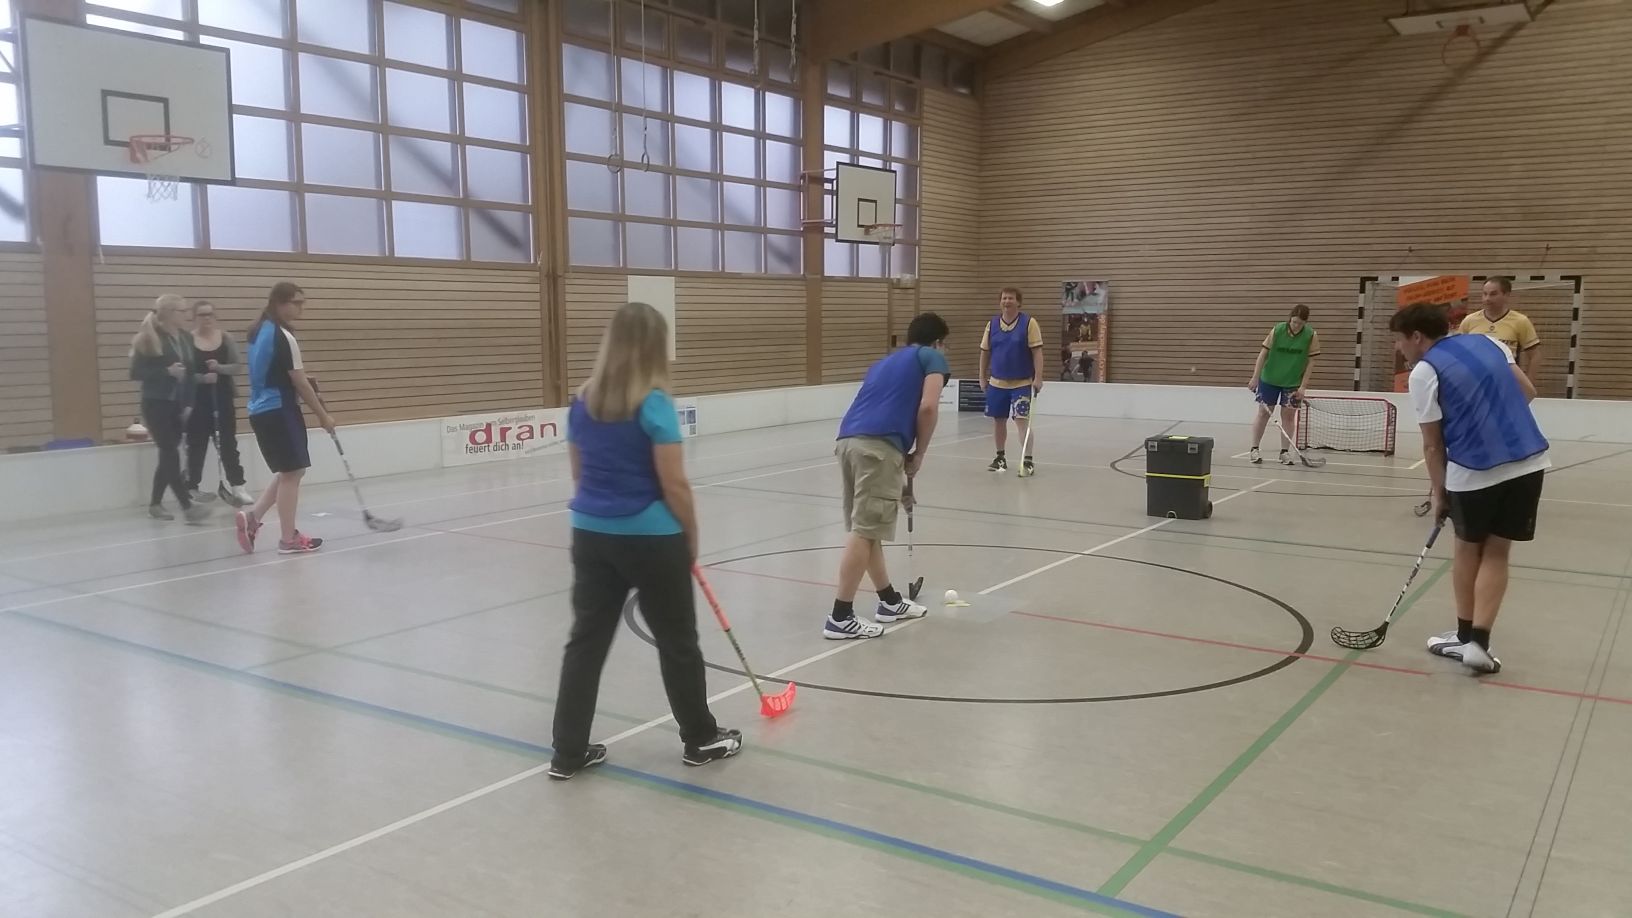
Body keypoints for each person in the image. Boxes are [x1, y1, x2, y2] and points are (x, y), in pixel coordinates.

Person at [549, 301, 740, 779]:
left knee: (585, 643)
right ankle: (700, 738)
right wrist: (689, 538)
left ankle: (567, 752)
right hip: (652, 539)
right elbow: (674, 484)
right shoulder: (654, 403)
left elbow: (579, 475)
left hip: (590, 535)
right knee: (678, 642)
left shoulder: (581, 403)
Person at [1392, 302, 1550, 675]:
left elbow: (1433, 445)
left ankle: (1464, 637)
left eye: (1399, 340)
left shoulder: (1424, 372)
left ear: (1417, 336)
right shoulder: (1489, 343)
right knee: (1497, 552)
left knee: (1466, 549)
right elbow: (1527, 391)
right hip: (1529, 461)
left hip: (1474, 470)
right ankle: (1479, 643)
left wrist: (1438, 493)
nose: (1399, 348)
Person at [824, 312, 950, 640]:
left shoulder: (884, 363)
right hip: (878, 447)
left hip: (848, 442)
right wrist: (919, 453)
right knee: (865, 531)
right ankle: (840, 616)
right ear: (938, 342)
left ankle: (889, 601)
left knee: (869, 529)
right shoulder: (932, 357)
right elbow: (928, 407)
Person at [237, 282, 334, 555]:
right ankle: (288, 539)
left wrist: (298, 379)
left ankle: (253, 517)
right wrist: (323, 416)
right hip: (280, 410)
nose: (301, 308)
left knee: (289, 470)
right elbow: (299, 383)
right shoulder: (284, 336)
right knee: (292, 474)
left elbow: (273, 371)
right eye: (297, 303)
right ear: (280, 303)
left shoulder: (259, 331)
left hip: (260, 411)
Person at [129, 295, 211, 524]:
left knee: (168, 454)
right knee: (170, 452)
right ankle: (187, 506)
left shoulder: (185, 337)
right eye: (181, 311)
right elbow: (135, 372)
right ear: (168, 313)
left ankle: (155, 504)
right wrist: (166, 372)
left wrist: (189, 403)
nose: (186, 315)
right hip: (156, 402)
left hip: (178, 403)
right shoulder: (148, 337)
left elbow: (191, 373)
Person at [186, 300, 253, 507]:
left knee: (227, 443)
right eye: (202, 314)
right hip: (197, 400)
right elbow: (183, 374)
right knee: (196, 444)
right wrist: (202, 378)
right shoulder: (186, 341)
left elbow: (237, 366)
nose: (206, 318)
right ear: (194, 317)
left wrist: (219, 368)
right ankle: (191, 486)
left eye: (210, 314)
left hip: (222, 397)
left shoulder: (226, 338)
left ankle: (238, 486)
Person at [979, 287, 1043, 475]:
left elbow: (1037, 352)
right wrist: (982, 377)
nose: (1007, 301)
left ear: (1018, 302)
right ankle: (1000, 458)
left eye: (1011, 298)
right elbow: (985, 352)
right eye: (1004, 298)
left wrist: (1038, 377)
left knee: (1022, 421)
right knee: (998, 421)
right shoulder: (992, 325)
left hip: (1021, 383)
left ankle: (1028, 460)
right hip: (996, 383)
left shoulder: (1029, 323)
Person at [1247, 304, 1320, 465]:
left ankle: (1284, 452)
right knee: (1263, 413)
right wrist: (1255, 377)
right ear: (1290, 319)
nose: (1296, 326)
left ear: (1305, 322)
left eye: (1300, 323)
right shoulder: (1278, 330)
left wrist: (1303, 386)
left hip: (1292, 383)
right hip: (1269, 380)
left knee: (1288, 416)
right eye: (1294, 322)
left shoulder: (1311, 335)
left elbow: (1311, 362)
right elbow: (1263, 354)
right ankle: (1254, 449)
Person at [1460, 277, 1541, 381]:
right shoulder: (1469, 320)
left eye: (1493, 294)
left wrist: (1527, 383)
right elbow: (1458, 352)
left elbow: (1535, 356)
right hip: (1474, 381)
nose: (1487, 298)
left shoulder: (1520, 321)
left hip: (1506, 382)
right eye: (1485, 294)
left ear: (1506, 295)